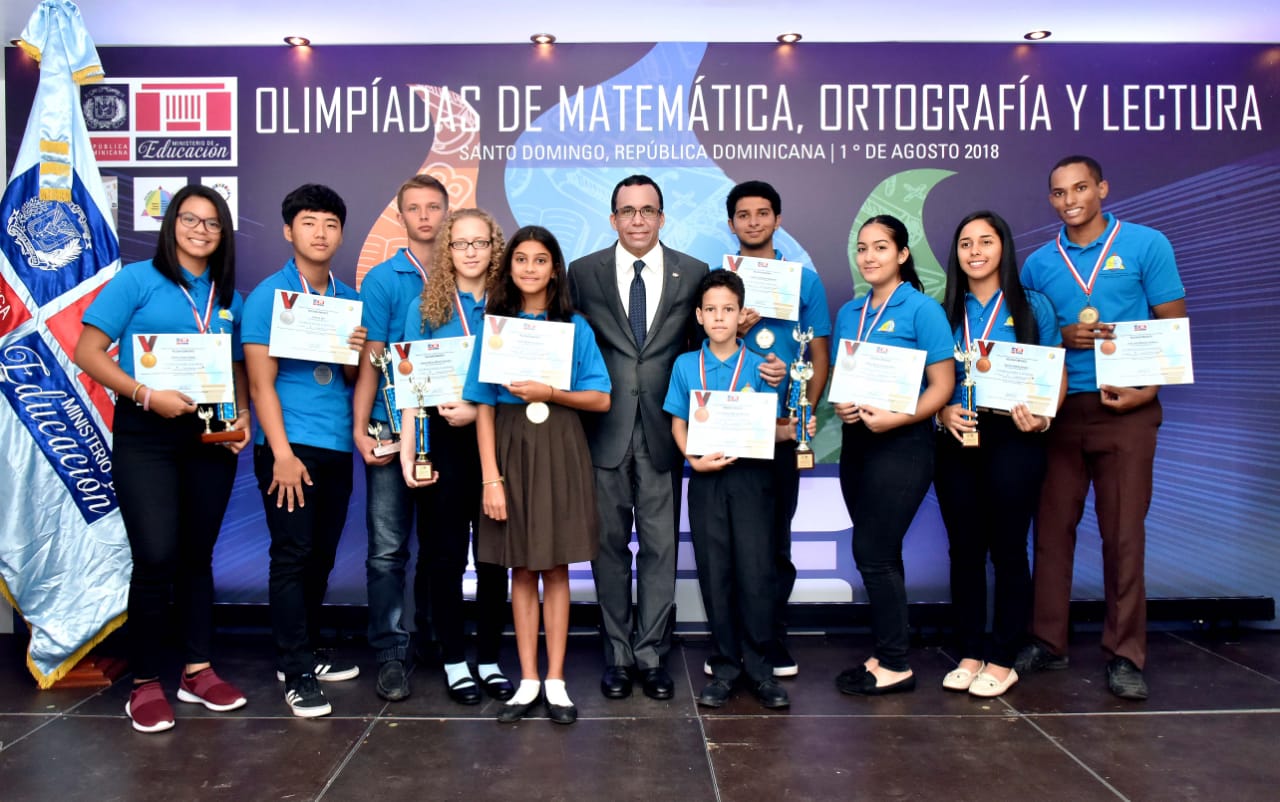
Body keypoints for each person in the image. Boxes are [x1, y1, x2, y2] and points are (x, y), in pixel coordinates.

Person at [76, 184, 250, 733]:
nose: (201, 230)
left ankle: (197, 671)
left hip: (209, 438)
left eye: (212, 223)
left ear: (223, 234)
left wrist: (242, 416)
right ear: (171, 223)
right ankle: (146, 682)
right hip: (146, 433)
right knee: (155, 556)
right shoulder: (137, 280)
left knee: (197, 556)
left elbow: (234, 366)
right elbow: (86, 352)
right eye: (190, 219)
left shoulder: (227, 295)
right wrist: (146, 395)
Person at [1014, 156, 1187, 701]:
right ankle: (1048, 642)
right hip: (1061, 410)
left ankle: (1125, 654)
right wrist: (1061, 336)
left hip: (1126, 408)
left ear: (1102, 189)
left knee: (1123, 534)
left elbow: (1173, 326)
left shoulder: (1146, 244)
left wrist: (1148, 391)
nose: (1070, 200)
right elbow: (1030, 340)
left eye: (1080, 188)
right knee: (1050, 531)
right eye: (1059, 192)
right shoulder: (1038, 264)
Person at [567, 175, 708, 702]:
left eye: (648, 210)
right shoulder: (583, 273)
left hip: (665, 430)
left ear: (662, 217)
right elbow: (567, 342)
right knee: (606, 549)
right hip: (603, 431)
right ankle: (617, 656)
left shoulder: (693, 272)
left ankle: (651, 656)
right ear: (613, 219)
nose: (638, 220)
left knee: (659, 549)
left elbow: (701, 349)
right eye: (627, 211)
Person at [464, 225, 611, 724]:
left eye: (540, 259)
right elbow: (483, 406)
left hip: (561, 445)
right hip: (509, 450)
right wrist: (491, 478)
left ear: (555, 268)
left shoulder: (575, 327)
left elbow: (601, 398)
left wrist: (550, 392)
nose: (530, 268)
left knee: (556, 567)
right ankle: (528, 680)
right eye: (521, 259)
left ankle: (556, 680)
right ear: (508, 268)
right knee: (521, 568)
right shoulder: (495, 326)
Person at [243, 184, 366, 718]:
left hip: (336, 443)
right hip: (289, 447)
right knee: (292, 555)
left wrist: (354, 353)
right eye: (309, 222)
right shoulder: (268, 296)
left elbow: (350, 380)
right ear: (289, 230)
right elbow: (260, 383)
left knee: (321, 555)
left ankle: (305, 650)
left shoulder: (347, 298)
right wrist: (281, 453)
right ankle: (294, 671)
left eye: (330, 224)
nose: (321, 233)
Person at [934, 211, 1063, 698]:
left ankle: (1005, 656)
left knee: (1008, 549)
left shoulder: (1033, 305)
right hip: (957, 435)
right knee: (964, 549)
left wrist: (1044, 417)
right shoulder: (943, 309)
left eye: (985, 241)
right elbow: (930, 377)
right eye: (966, 243)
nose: (975, 251)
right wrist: (941, 411)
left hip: (1016, 436)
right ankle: (970, 651)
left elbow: (1056, 370)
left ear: (1003, 247)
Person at [830, 214, 954, 696]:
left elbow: (942, 386)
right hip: (858, 444)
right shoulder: (850, 312)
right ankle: (886, 652)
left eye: (880, 247)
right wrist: (843, 405)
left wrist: (898, 418)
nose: (869, 257)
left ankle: (896, 664)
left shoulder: (923, 310)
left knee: (873, 551)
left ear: (902, 254)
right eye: (862, 248)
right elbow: (844, 378)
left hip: (903, 444)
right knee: (881, 552)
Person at [399, 208, 513, 705]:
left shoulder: (510, 304)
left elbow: (522, 381)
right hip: (440, 442)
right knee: (443, 557)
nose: (470, 251)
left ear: (495, 248)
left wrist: (480, 410)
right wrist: (408, 453)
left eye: (480, 242)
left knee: (493, 557)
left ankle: (488, 658)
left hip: (498, 442)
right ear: (447, 250)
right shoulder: (425, 306)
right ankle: (452, 660)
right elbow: (407, 385)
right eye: (460, 243)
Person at [664, 270, 791, 709]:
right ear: (699, 316)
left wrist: (796, 428)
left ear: (742, 316)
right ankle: (723, 668)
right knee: (715, 573)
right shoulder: (685, 365)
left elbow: (774, 426)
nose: (719, 317)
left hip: (753, 478)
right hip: (705, 479)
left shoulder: (763, 366)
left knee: (755, 573)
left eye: (728, 309)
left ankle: (760, 670)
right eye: (711, 309)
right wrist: (692, 459)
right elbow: (678, 423)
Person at [720, 180, 829, 677]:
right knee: (731, 542)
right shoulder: (720, 283)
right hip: (729, 425)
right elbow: (702, 350)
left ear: (778, 220)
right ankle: (732, 642)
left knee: (775, 540)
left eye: (763, 213)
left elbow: (819, 356)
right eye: (743, 214)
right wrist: (736, 329)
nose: (753, 222)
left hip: (783, 428)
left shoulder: (804, 282)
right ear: (731, 224)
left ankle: (773, 638)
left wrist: (804, 413)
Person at [352, 174, 451, 702]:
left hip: (451, 427)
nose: (425, 216)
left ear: (447, 211)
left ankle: (437, 640)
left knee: (442, 543)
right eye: (415, 208)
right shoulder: (383, 279)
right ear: (401, 215)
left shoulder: (467, 270)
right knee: (388, 547)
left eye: (434, 207)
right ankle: (391, 652)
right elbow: (373, 358)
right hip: (392, 424)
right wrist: (359, 426)